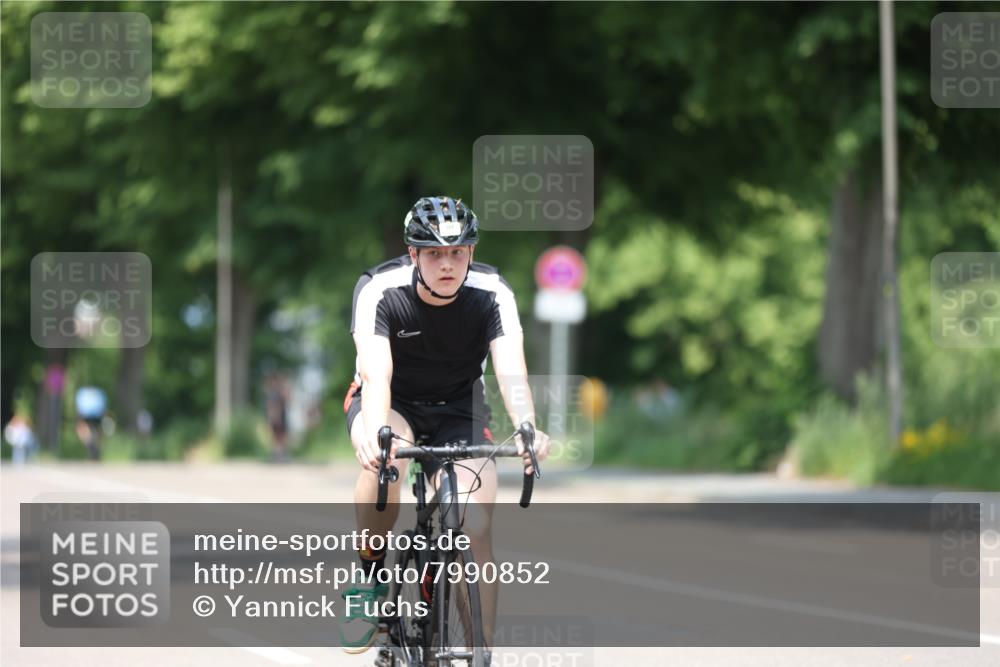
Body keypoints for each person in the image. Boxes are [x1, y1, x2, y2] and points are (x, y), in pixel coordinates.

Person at [340, 196, 550, 653]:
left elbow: (511, 370)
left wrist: (528, 427)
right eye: (434, 253)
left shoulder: (493, 292)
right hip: (393, 401)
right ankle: (369, 578)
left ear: (471, 252)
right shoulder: (380, 288)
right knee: (384, 462)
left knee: (475, 526)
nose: (448, 264)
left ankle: (481, 651)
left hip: (459, 409)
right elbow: (377, 376)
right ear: (413, 254)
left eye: (457, 252)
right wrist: (377, 437)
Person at [74, 386, 107, 460]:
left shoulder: (82, 392)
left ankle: (87, 441)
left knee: (80, 426)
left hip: (86, 415)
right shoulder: (100, 392)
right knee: (99, 429)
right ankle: (99, 445)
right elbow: (104, 406)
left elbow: (79, 406)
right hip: (98, 415)